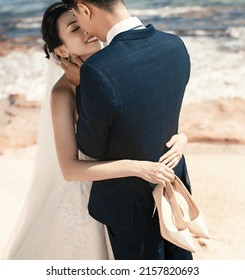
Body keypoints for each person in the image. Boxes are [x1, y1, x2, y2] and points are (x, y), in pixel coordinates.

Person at [5, 2, 188, 260]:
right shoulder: (63, 93)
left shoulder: (114, 65)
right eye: (74, 28)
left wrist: (182, 136)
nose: (86, 31)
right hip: (98, 198)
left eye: (82, 22)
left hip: (142, 194)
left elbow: (149, 110)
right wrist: (138, 167)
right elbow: (69, 169)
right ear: (61, 49)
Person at [61, 0, 193, 260]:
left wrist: (82, 89)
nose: (84, 30)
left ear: (85, 9)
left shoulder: (98, 70)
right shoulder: (175, 45)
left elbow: (91, 147)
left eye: (77, 17)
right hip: (173, 186)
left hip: (130, 207)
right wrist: (183, 137)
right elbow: (162, 112)